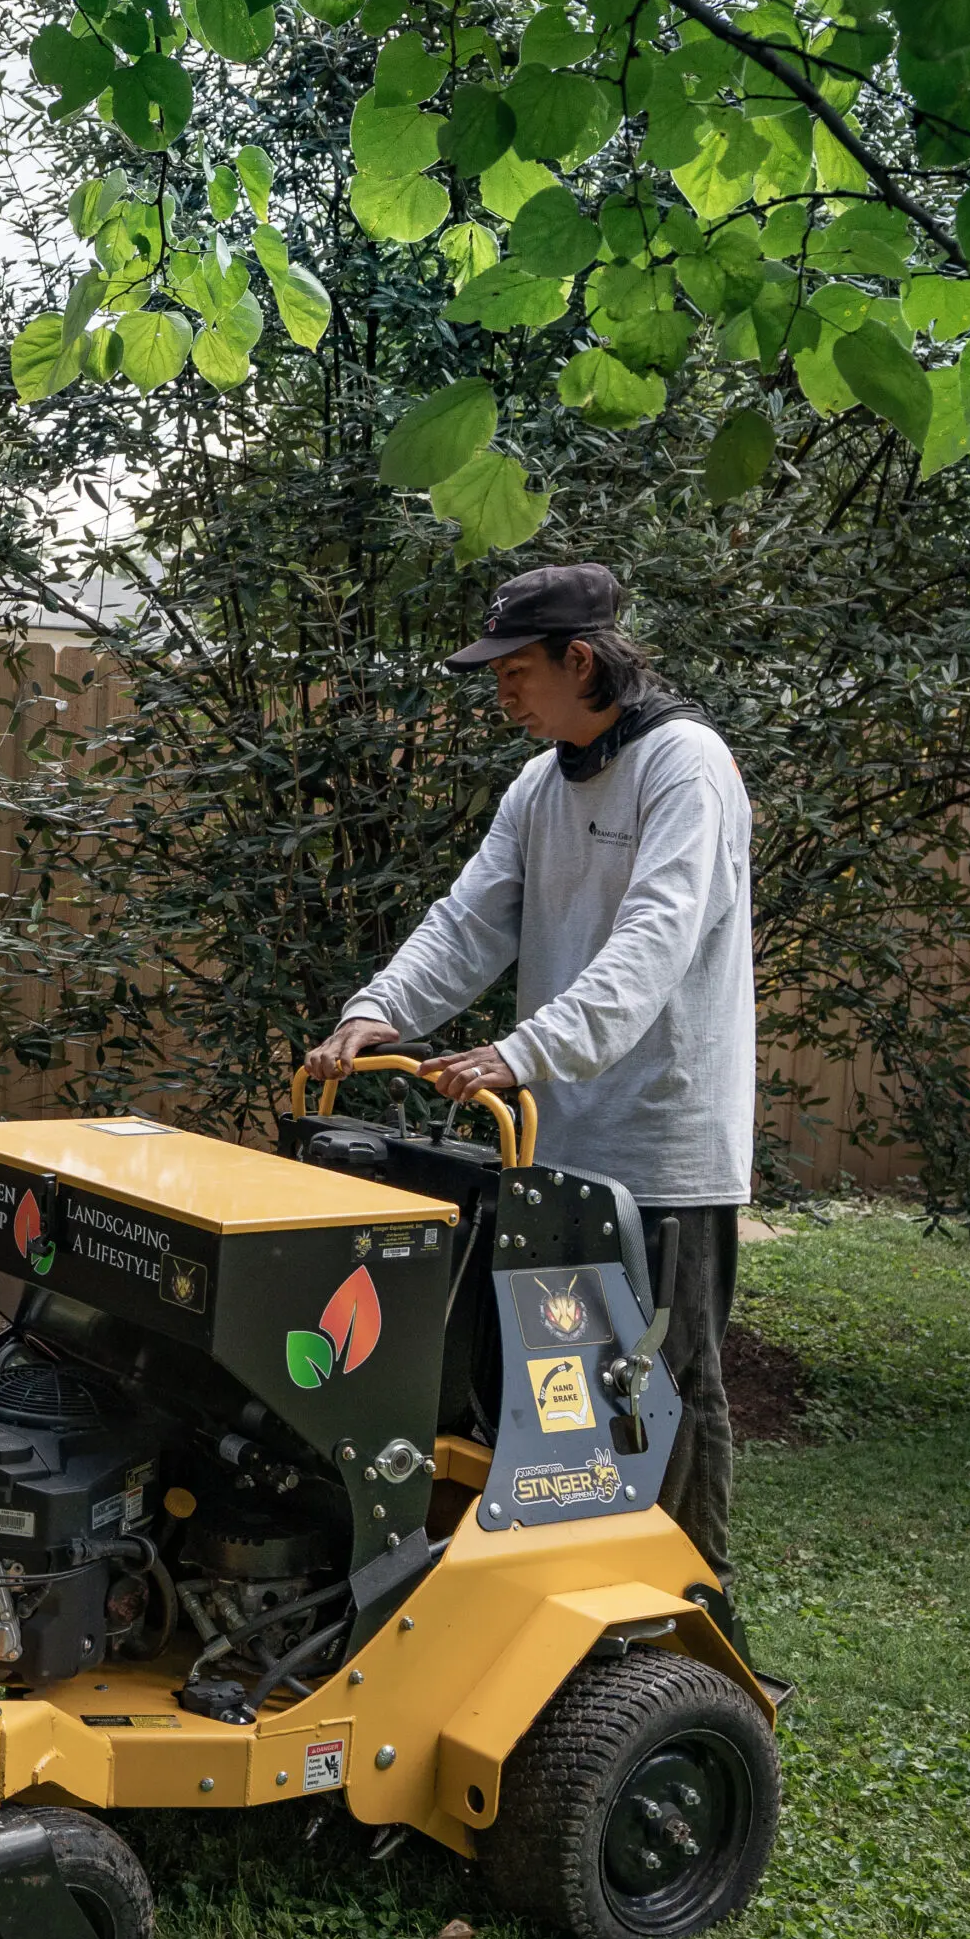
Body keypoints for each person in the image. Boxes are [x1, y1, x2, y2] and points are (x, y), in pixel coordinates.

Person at [304, 562, 756, 1629]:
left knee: (666, 1392)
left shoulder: (684, 768)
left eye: (514, 670)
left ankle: (694, 1624)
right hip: (554, 1142)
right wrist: (377, 1013)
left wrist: (525, 1048)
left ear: (580, 660)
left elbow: (656, 940)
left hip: (663, 1147)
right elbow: (470, 920)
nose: (500, 691)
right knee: (553, 1387)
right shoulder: (544, 782)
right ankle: (571, 1609)